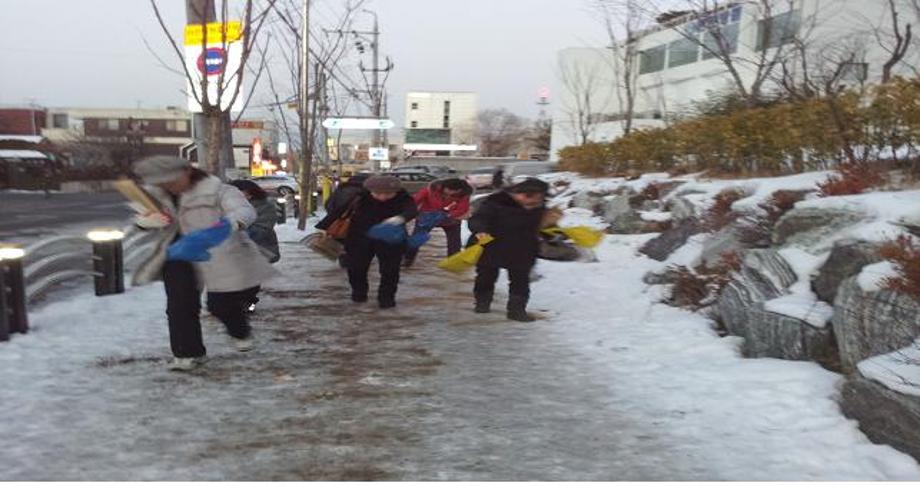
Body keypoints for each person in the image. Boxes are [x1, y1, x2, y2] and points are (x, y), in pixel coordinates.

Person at [131, 156, 275, 371]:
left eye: (171, 180)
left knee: (220, 305)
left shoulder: (220, 191)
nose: (168, 186)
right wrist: (145, 222)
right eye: (162, 182)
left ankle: (239, 330)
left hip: (218, 251)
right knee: (179, 304)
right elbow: (140, 218)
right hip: (178, 254)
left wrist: (229, 224)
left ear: (187, 173)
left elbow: (245, 211)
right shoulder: (156, 196)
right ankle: (188, 353)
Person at [316, 175, 417, 308]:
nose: (382, 197)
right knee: (356, 268)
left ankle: (386, 299)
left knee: (390, 271)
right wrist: (324, 228)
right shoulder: (359, 196)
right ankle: (359, 293)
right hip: (359, 237)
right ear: (370, 190)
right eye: (378, 194)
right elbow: (339, 212)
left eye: (388, 194)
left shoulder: (403, 198)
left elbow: (412, 210)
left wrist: (400, 218)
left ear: (396, 191)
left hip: (391, 239)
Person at [468, 177, 549, 322]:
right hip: (491, 245)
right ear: (521, 194)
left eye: (540, 200)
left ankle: (517, 311)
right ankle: (482, 302)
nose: (535, 203)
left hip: (522, 247)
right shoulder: (495, 202)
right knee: (486, 276)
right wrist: (480, 230)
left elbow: (543, 227)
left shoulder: (539, 207)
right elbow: (478, 219)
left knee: (520, 280)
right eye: (532, 199)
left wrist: (554, 233)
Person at [229, 179, 280, 313]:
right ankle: (234, 303)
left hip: (257, 246)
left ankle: (248, 302)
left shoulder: (265, 206)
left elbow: (264, 228)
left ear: (250, 193)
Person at [403, 178, 473, 268]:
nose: (450, 193)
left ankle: (453, 263)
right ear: (444, 187)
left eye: (454, 192)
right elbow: (414, 201)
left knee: (454, 243)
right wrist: (409, 213)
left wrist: (447, 215)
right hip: (426, 219)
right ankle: (407, 261)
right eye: (449, 190)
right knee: (416, 240)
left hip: (450, 220)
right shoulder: (429, 190)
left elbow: (462, 209)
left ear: (460, 190)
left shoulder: (464, 195)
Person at [323, 173, 369, 268]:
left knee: (342, 243)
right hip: (357, 225)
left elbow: (328, 204)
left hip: (339, 224)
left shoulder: (340, 189)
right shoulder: (364, 192)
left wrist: (335, 216)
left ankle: (345, 263)